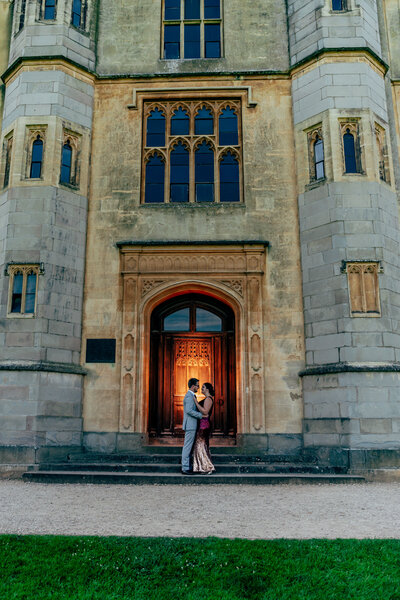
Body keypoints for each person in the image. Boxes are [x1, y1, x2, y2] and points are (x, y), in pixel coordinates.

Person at [192, 382, 215, 474]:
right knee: (202, 445)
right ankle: (203, 467)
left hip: (204, 424)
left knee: (200, 445)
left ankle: (207, 467)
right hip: (202, 424)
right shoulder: (206, 399)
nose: (201, 389)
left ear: (208, 389)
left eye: (203, 387)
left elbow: (205, 412)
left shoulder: (209, 399)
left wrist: (196, 403)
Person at [181, 378, 203, 475]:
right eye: (197, 385)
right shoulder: (189, 396)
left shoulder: (192, 396)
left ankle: (188, 466)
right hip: (190, 425)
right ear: (193, 386)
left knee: (189, 446)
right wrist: (201, 415)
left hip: (192, 424)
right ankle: (185, 467)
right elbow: (189, 410)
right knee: (187, 446)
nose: (198, 387)